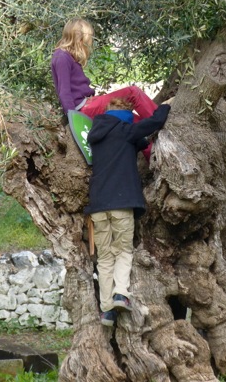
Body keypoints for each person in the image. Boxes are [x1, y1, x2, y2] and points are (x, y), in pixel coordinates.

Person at [85, 98, 171, 327]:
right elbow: (155, 122)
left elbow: (138, 141)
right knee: (123, 250)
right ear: (125, 116)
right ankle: (121, 294)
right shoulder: (125, 130)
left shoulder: (95, 135)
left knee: (104, 258)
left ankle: (106, 311)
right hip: (121, 202)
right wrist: (166, 105)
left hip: (98, 205)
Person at [51, 18, 159, 160]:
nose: (88, 43)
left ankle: (152, 156)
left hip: (88, 104)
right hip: (83, 108)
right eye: (87, 38)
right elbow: (64, 92)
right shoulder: (62, 57)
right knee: (133, 92)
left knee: (134, 120)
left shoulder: (68, 57)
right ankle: (161, 121)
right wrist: (74, 121)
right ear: (78, 37)